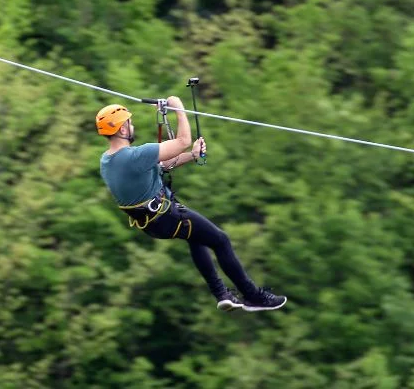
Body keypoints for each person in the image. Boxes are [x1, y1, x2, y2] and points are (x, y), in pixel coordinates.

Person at [96, 99, 287, 312]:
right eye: (129, 123)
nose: (133, 126)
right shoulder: (135, 156)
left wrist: (192, 156)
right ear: (122, 129)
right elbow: (183, 140)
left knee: (197, 238)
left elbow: (161, 165)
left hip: (152, 224)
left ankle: (222, 294)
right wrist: (178, 107)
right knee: (221, 240)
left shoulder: (107, 162)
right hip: (167, 216)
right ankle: (253, 297)